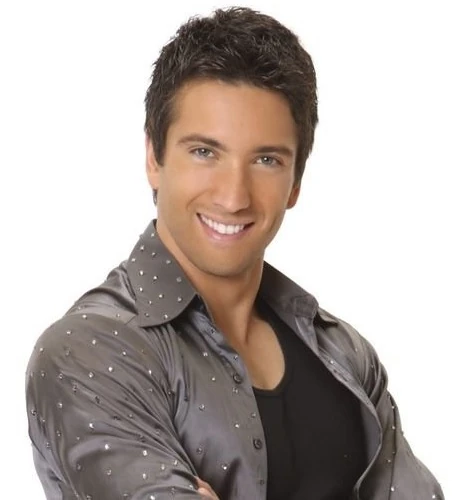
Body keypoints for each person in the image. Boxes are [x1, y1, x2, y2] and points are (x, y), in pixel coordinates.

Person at [26, 6, 444, 500]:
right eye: (204, 152)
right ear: (154, 158)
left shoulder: (343, 354)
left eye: (266, 160)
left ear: (295, 182)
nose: (233, 196)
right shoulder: (89, 353)